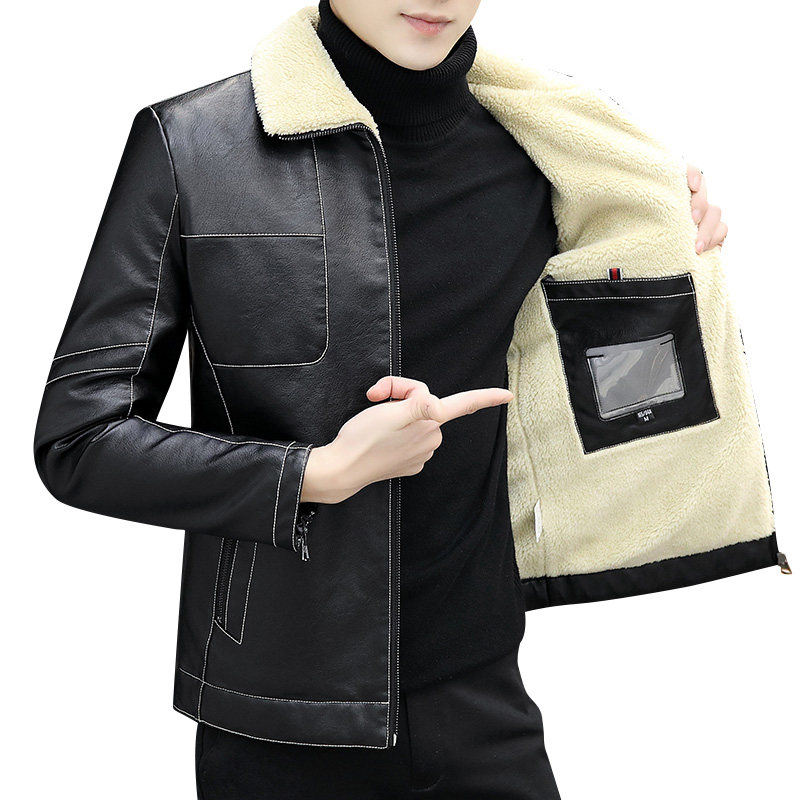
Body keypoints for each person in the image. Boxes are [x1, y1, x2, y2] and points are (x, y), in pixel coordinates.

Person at [36, 2, 771, 799]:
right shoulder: (193, 145)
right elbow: (80, 438)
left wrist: (661, 208)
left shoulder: (551, 150)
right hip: (279, 728)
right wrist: (315, 473)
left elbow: (620, 349)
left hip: (484, 703)